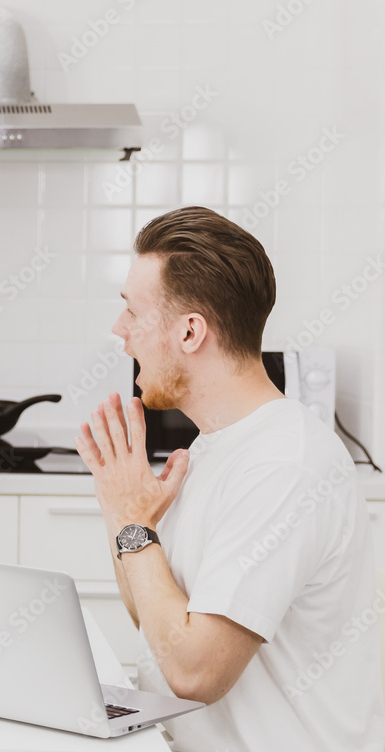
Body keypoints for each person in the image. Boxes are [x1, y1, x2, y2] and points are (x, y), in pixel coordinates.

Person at [73, 206, 385, 751]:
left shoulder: (285, 466)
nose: (120, 332)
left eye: (132, 312)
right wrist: (120, 503)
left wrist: (130, 518)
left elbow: (195, 672)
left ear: (191, 331)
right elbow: (156, 619)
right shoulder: (216, 444)